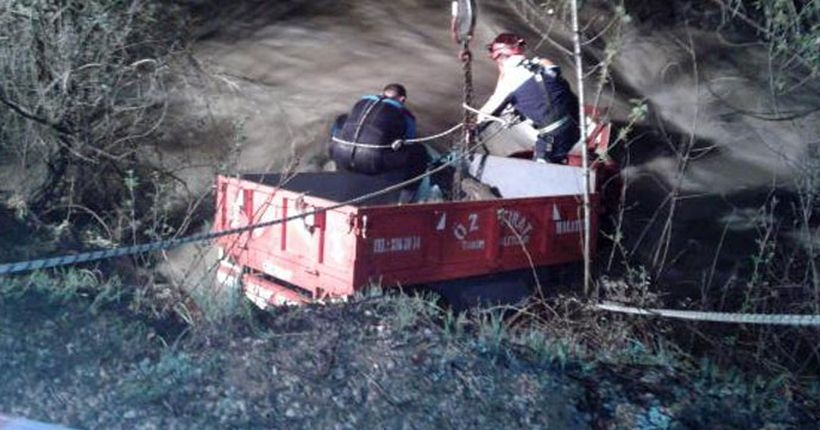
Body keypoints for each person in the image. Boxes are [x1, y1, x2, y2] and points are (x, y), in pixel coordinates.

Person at [477, 32, 580, 163]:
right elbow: (545, 93)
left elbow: (485, 115)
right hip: (574, 127)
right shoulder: (544, 64)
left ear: (501, 57)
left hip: (553, 139)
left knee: (540, 171)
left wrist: (474, 125)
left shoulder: (510, 81)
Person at [329, 83, 430, 200]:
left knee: (343, 121)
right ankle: (406, 198)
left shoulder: (363, 100)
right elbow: (408, 142)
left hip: (339, 155)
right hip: (370, 162)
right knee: (420, 152)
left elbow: (340, 124)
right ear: (402, 99)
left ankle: (338, 172)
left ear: (382, 93)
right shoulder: (404, 113)